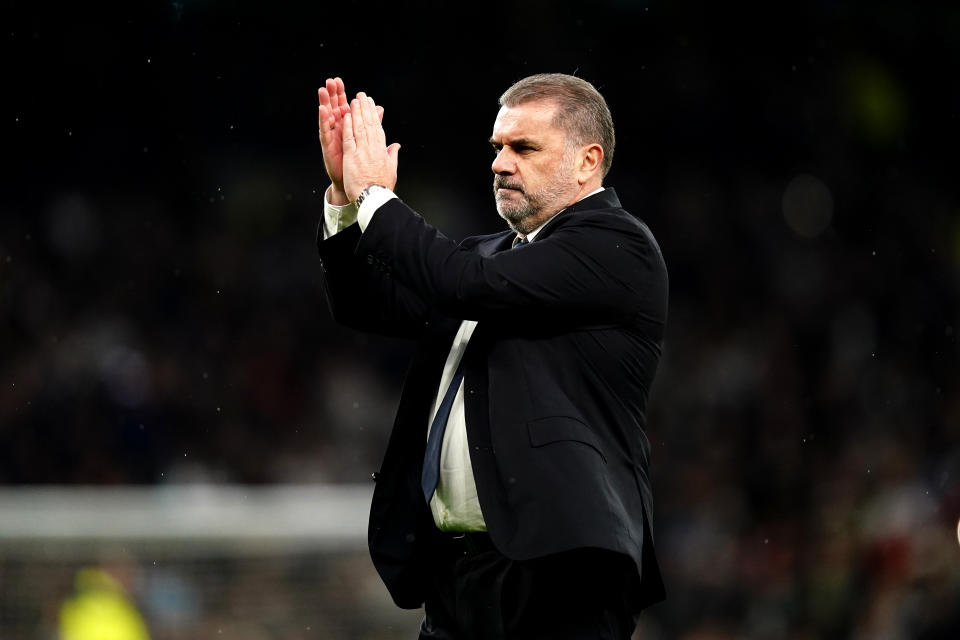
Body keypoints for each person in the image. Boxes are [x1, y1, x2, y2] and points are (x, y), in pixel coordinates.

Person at [316, 73, 668, 639]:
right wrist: (343, 198)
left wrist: (376, 197)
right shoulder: (488, 257)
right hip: (460, 573)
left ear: (587, 161)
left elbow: (463, 284)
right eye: (497, 148)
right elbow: (368, 306)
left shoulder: (616, 244)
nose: (500, 163)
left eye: (523, 147)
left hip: (560, 566)